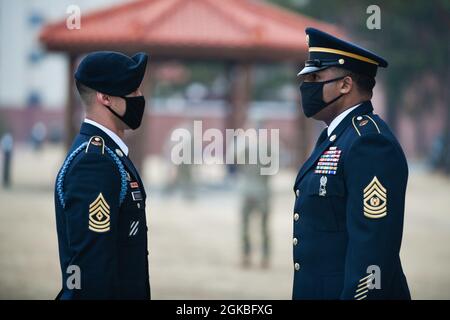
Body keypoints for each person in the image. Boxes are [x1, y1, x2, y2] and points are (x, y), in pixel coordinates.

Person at [292, 28, 410, 300]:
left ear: (345, 85)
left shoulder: (369, 143)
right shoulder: (336, 137)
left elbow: (373, 250)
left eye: (315, 77)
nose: (306, 86)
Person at [54, 51, 150, 299]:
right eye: (132, 91)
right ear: (105, 97)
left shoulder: (109, 153)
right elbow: (92, 275)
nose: (140, 98)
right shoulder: (94, 162)